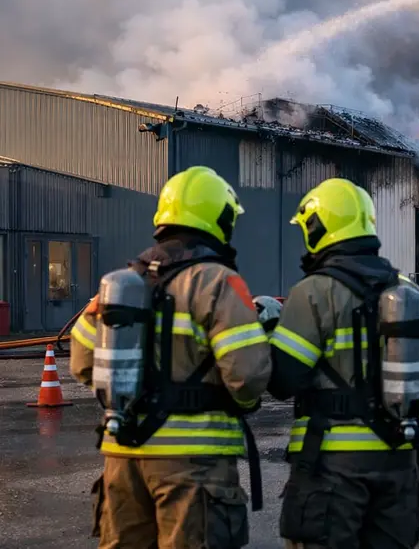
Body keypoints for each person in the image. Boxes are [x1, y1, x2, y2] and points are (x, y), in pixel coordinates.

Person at [70, 165, 271, 549]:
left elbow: (81, 362)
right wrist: (243, 402)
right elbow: (247, 376)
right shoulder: (218, 281)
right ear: (218, 217)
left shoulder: (121, 284)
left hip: (122, 457)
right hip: (193, 464)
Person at [269, 178, 419, 549]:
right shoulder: (407, 290)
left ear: (318, 227)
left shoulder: (312, 292)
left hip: (330, 464)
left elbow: (283, 380)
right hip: (399, 463)